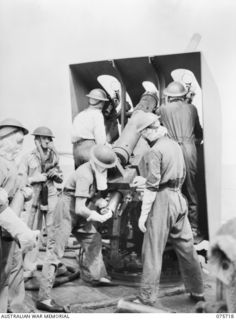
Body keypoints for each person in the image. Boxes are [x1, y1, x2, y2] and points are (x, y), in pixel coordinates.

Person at [131, 112, 204, 306]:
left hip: (163, 201)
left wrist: (143, 215)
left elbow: (154, 186)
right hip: (179, 198)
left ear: (148, 131)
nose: (144, 138)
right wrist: (147, 181)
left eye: (144, 134)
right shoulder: (174, 145)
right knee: (187, 247)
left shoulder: (154, 151)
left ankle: (146, 297)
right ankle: (198, 290)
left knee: (152, 250)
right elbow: (172, 174)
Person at [36, 144, 118, 312]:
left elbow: (92, 195)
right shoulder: (85, 174)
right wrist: (98, 216)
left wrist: (100, 203)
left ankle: (97, 276)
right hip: (67, 209)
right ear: (97, 162)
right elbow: (80, 208)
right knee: (55, 252)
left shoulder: (98, 171)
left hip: (80, 209)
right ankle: (43, 298)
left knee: (93, 239)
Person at [0, 118, 39, 313]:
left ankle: (16, 310)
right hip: (4, 227)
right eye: (18, 142)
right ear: (4, 140)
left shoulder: (11, 163)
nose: (20, 148)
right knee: (3, 272)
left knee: (15, 268)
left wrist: (25, 189)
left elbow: (16, 185)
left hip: (11, 230)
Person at [158, 81, 203, 240]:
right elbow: (199, 132)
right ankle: (194, 228)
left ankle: (173, 227)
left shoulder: (163, 110)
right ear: (183, 95)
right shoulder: (192, 109)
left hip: (173, 152)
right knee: (191, 190)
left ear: (169, 96)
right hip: (190, 150)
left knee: (172, 189)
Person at [18, 126, 63, 277]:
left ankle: (51, 266)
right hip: (33, 195)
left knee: (53, 229)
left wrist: (55, 174)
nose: (47, 141)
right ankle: (27, 266)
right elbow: (21, 180)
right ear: (36, 139)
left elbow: (61, 177)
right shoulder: (28, 157)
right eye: (44, 138)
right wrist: (35, 178)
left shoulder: (54, 157)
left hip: (50, 193)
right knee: (30, 230)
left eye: (49, 139)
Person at [71, 88, 109, 168]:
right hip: (88, 152)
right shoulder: (97, 115)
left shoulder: (80, 115)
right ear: (101, 102)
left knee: (81, 177)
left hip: (76, 152)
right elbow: (101, 142)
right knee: (100, 176)